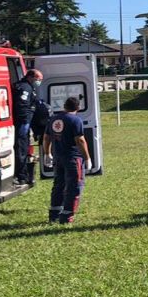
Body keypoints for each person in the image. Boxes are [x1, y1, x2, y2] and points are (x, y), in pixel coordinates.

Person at [43, 96, 92, 224]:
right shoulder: (76, 120)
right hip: (73, 158)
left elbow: (46, 137)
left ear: (64, 106)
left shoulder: (53, 119)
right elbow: (80, 140)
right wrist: (87, 158)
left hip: (58, 157)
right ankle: (67, 217)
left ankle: (54, 215)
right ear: (78, 108)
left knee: (58, 185)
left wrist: (47, 153)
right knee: (75, 186)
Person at [11, 69, 43, 186]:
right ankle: (21, 176)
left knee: (24, 150)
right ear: (31, 77)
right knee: (21, 150)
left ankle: (24, 175)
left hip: (25, 123)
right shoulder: (25, 88)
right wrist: (25, 121)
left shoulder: (28, 87)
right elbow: (22, 106)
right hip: (22, 123)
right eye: (38, 79)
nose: (39, 82)